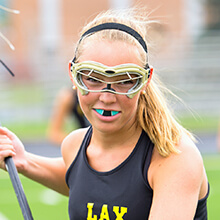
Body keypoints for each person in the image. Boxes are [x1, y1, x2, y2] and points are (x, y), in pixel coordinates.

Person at [0, 8, 209, 219]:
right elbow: (81, 179)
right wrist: (24, 161)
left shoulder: (174, 157)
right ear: (73, 76)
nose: (107, 97)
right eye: (92, 78)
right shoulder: (75, 146)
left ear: (145, 80)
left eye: (125, 81)